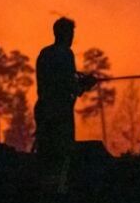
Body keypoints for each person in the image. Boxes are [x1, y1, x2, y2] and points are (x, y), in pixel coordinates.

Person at [34, 17, 96, 173]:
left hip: (43, 110)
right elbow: (70, 86)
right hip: (60, 113)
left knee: (46, 155)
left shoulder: (45, 53)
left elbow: (55, 80)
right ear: (65, 34)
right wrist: (86, 84)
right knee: (62, 155)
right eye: (71, 34)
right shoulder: (66, 54)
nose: (72, 38)